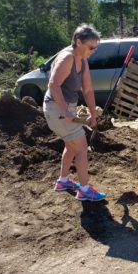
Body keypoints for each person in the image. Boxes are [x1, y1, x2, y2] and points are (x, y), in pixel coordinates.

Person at [43, 24, 106, 201]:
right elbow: (53, 85)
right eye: (91, 47)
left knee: (71, 146)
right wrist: (66, 112)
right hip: (56, 109)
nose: (93, 51)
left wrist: (93, 115)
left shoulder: (83, 61)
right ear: (79, 42)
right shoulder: (67, 58)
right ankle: (85, 190)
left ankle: (63, 181)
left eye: (96, 47)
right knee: (81, 149)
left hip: (65, 109)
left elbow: (88, 90)